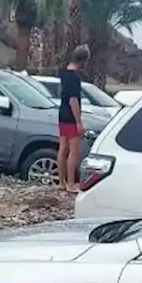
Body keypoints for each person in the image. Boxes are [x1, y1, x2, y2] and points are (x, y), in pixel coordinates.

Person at [56, 45, 90, 192]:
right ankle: (70, 184)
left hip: (62, 114)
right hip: (70, 117)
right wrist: (79, 122)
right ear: (83, 60)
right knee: (73, 151)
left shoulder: (64, 73)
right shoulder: (74, 77)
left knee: (62, 148)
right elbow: (73, 100)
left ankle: (61, 182)